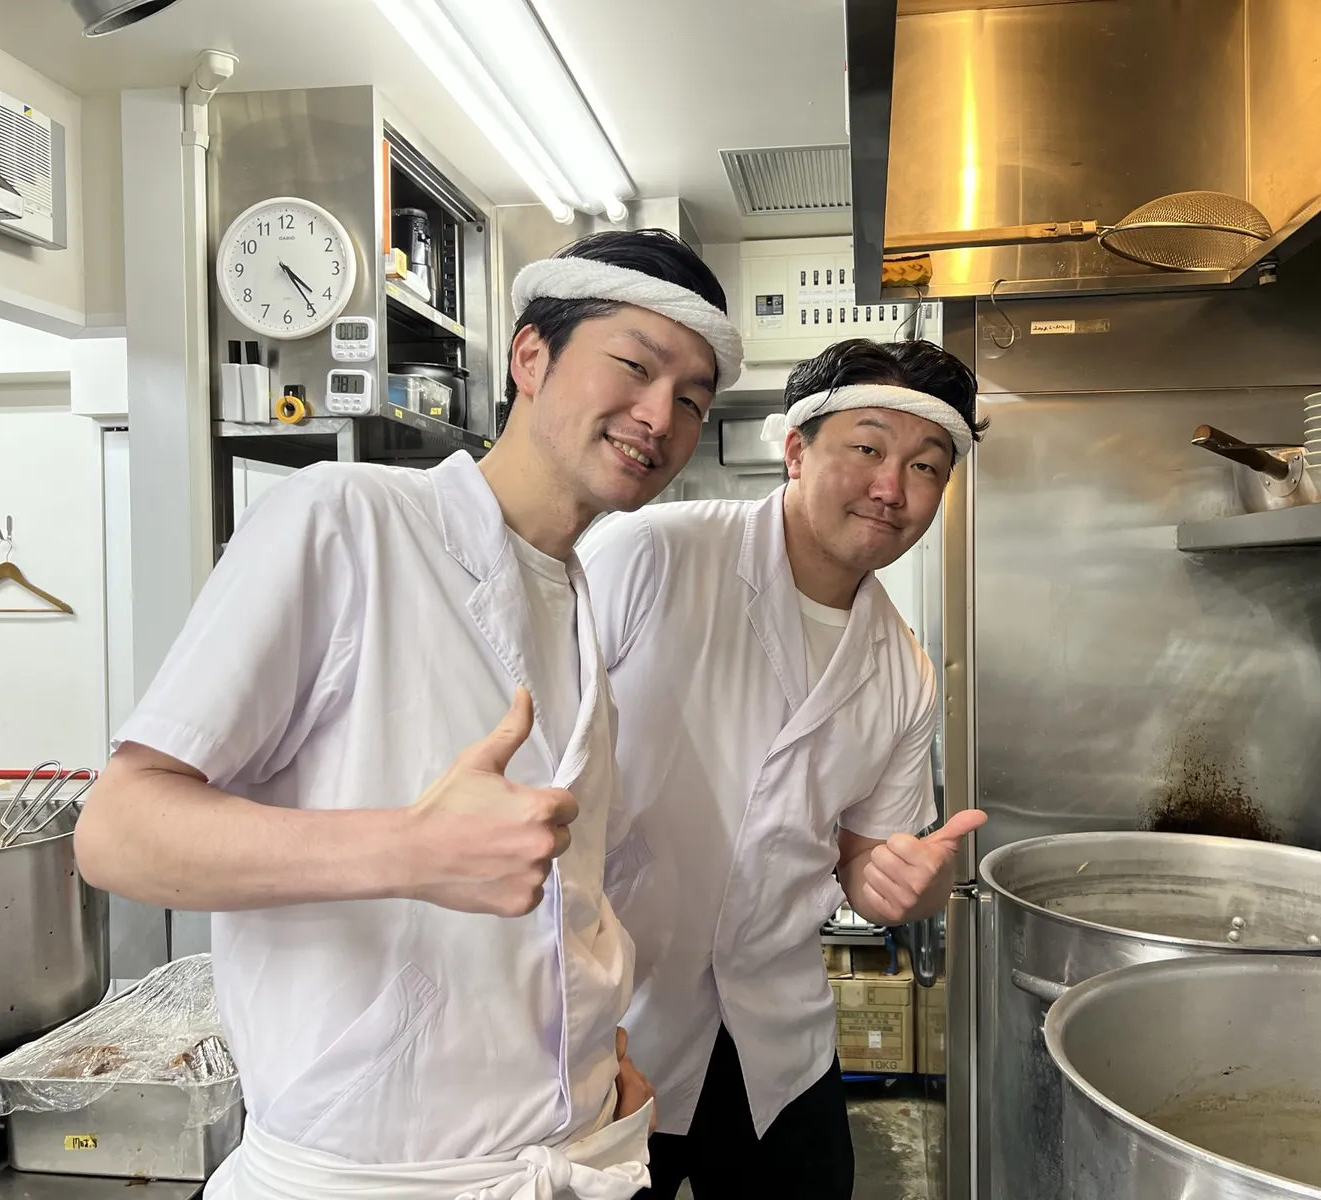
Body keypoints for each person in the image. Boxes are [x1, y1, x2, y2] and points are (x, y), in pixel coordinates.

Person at [73, 228, 741, 1200]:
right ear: (529, 356)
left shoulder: (576, 592)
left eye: (691, 400)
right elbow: (118, 831)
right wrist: (410, 848)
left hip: (572, 1148)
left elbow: (560, 892)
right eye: (635, 368)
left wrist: (595, 1049)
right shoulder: (345, 521)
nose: (659, 416)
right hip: (373, 1178)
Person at [578, 337, 989, 1200]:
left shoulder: (902, 667)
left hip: (774, 1032)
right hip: (612, 1021)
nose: (893, 488)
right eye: (869, 448)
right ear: (797, 450)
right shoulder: (653, 556)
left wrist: (895, 884)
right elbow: (539, 767)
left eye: (926, 466)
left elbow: (863, 851)